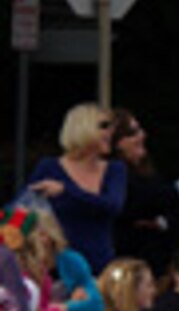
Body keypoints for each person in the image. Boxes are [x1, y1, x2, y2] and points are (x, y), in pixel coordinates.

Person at [109, 109, 179, 277]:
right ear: (118, 142)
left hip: (161, 262)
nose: (142, 135)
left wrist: (161, 222)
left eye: (140, 130)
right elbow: (153, 200)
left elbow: (172, 207)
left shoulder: (148, 172)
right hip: (131, 265)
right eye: (133, 132)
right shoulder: (115, 173)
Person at [25, 103, 127, 273]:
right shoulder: (49, 167)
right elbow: (21, 207)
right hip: (57, 268)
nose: (110, 133)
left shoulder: (115, 169)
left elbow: (113, 205)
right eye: (104, 126)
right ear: (82, 127)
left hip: (99, 269)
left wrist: (66, 191)